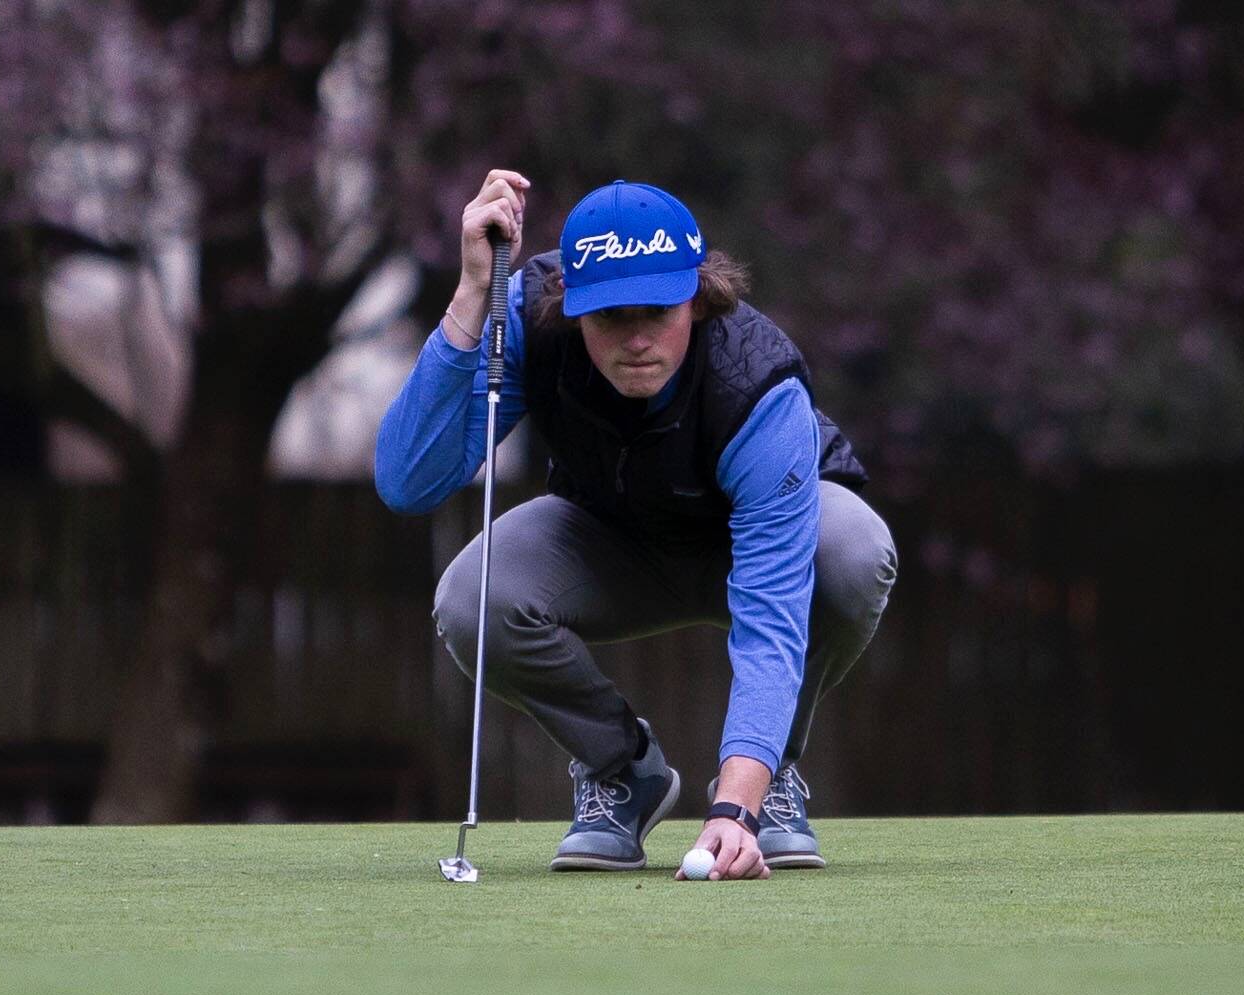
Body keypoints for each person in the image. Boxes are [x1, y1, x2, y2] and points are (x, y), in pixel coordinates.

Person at [376, 169, 896, 881]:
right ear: (573, 307)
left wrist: (733, 810)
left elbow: (772, 618)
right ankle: (623, 772)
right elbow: (410, 482)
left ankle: (768, 781)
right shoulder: (530, 321)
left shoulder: (759, 385)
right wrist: (471, 295)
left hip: (743, 548)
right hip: (608, 540)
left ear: (698, 297)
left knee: (853, 551)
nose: (637, 338)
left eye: (658, 310)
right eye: (611, 316)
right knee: (472, 597)